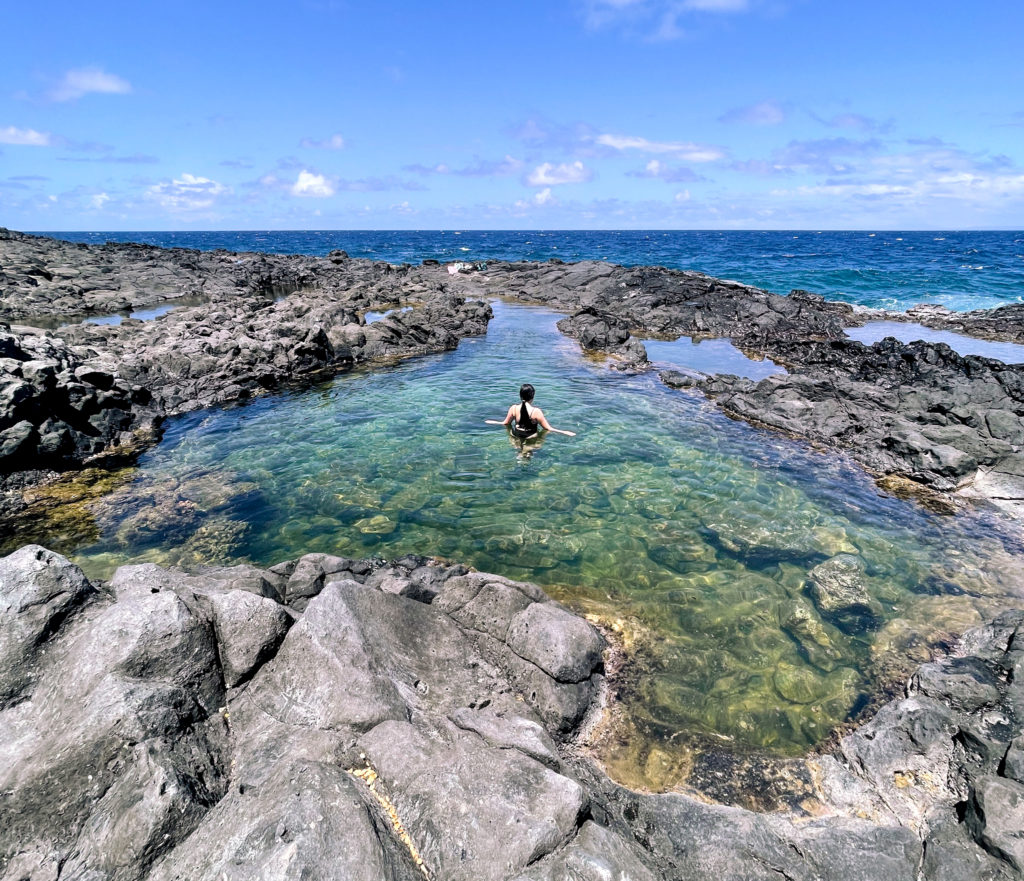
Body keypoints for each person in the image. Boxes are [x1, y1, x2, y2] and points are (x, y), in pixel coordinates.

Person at [487, 383, 576, 438]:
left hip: (516, 437)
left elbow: (505, 423)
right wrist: (564, 432)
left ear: (520, 396)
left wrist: (493, 422)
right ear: (532, 397)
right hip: (531, 438)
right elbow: (548, 428)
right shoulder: (536, 412)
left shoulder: (513, 408)